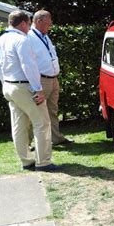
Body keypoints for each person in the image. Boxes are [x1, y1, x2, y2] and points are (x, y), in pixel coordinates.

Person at [0, 10, 59, 172]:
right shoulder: (22, 40)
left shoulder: (1, 39)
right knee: (42, 123)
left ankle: (26, 161)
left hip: (9, 86)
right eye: (28, 24)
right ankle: (43, 162)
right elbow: (28, 66)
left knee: (18, 125)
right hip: (24, 86)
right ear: (24, 23)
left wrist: (4, 83)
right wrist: (38, 89)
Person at [28, 10, 72, 145]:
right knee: (35, 112)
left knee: (53, 110)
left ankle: (56, 138)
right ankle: (29, 142)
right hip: (41, 80)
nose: (50, 26)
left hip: (53, 79)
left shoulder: (44, 36)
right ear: (38, 21)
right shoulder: (29, 37)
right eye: (47, 23)